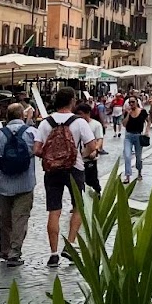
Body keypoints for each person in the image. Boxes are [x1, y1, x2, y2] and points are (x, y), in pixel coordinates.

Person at [33, 87, 94, 266]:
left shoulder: (45, 122)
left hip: (52, 171)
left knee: (54, 210)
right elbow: (91, 146)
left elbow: (36, 149)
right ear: (72, 101)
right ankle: (70, 245)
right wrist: (79, 155)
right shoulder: (80, 122)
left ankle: (53, 253)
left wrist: (51, 157)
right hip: (74, 168)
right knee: (78, 207)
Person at [0, 103, 37, 266]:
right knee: (20, 218)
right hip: (25, 183)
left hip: (3, 184)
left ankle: (5, 250)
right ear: (22, 115)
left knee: (5, 218)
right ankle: (15, 252)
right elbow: (41, 151)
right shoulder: (31, 132)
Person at [74, 99, 105, 196]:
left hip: (90, 157)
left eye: (81, 114)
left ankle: (97, 195)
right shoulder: (77, 124)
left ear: (87, 113)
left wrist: (95, 150)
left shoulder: (96, 125)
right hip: (78, 157)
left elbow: (99, 139)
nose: (79, 116)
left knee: (92, 179)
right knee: (79, 180)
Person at [122, 94, 149, 185]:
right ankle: (127, 176)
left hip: (138, 136)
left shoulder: (142, 111)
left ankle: (139, 172)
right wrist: (128, 115)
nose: (131, 104)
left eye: (133, 102)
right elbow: (124, 124)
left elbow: (148, 121)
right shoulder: (127, 112)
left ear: (137, 102)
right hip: (128, 136)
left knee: (138, 157)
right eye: (130, 102)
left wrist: (147, 131)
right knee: (127, 155)